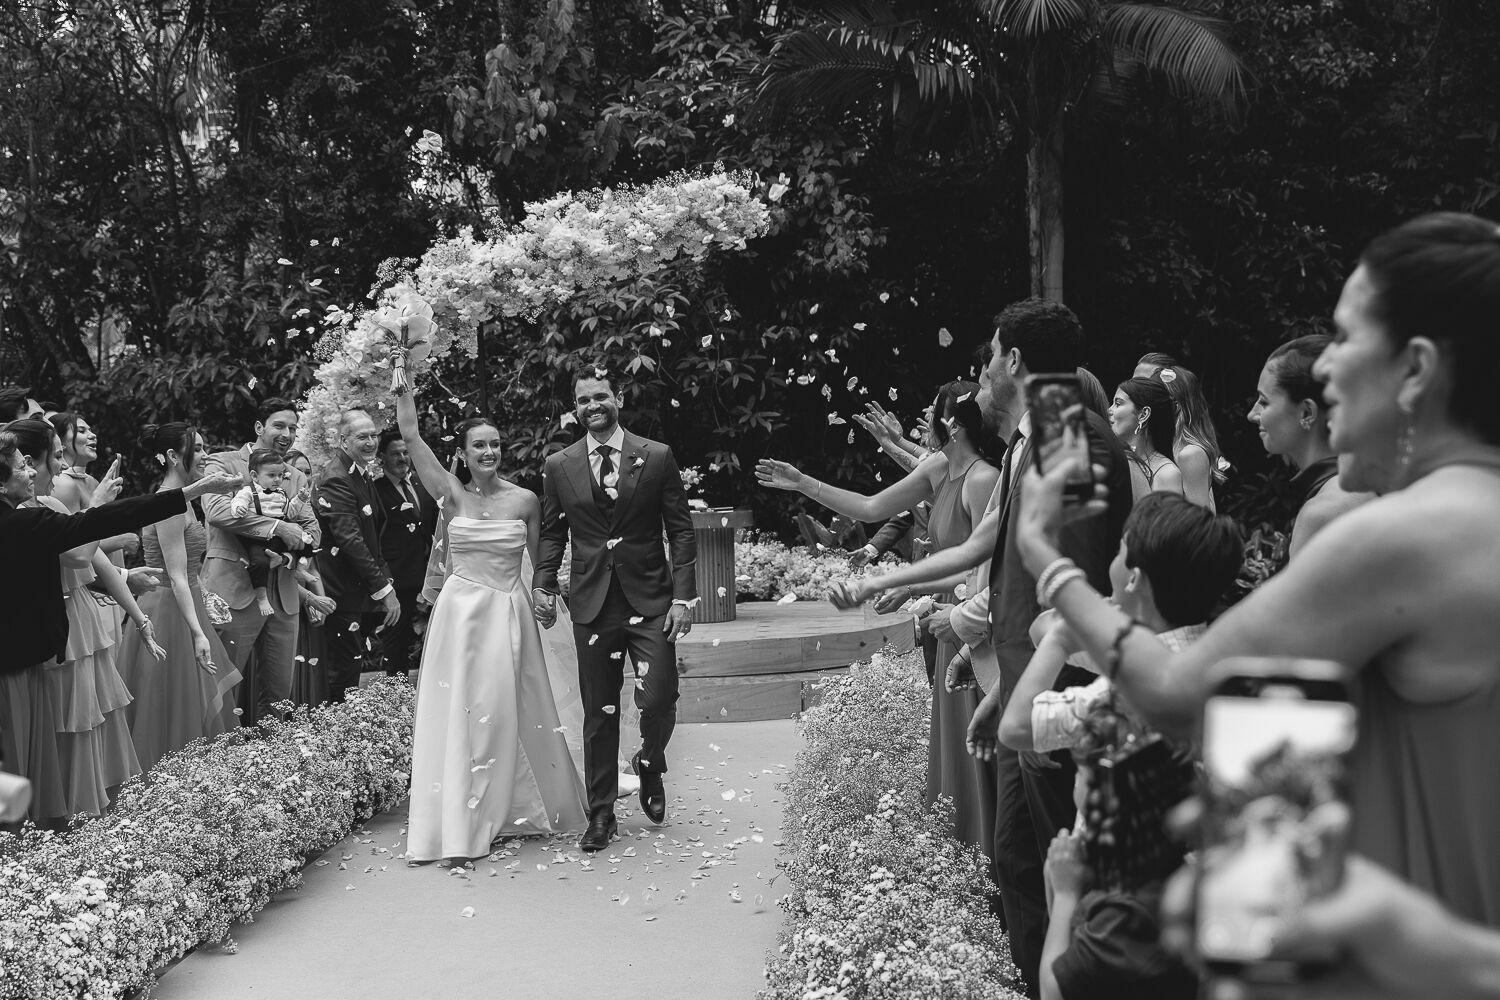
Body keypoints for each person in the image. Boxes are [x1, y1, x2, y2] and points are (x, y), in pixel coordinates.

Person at [1015, 212, 1500, 927]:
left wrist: (1044, 557)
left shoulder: (1392, 536)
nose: (1324, 369)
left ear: (1419, 370)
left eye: (1346, 338)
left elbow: (1178, 694)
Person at [833, 300, 1134, 995]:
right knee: (1017, 865)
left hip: (1061, 692)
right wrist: (884, 580)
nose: (984, 372)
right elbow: (982, 547)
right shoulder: (1032, 438)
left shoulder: (1072, 444)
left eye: (991, 356)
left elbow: (1074, 588)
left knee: (1064, 874)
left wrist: (1033, 691)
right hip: (1027, 685)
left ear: (1015, 361)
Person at [763, 381, 1003, 858]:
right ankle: (957, 857)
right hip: (942, 615)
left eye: (932, 412)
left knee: (976, 746)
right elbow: (872, 507)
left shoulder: (982, 479)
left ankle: (987, 859)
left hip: (970, 622)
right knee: (952, 744)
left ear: (951, 424)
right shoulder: (939, 467)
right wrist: (804, 483)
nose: (925, 421)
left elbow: (983, 567)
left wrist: (915, 588)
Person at [388, 357, 586, 862]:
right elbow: (410, 436)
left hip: (509, 613)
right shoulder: (450, 495)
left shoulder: (525, 500)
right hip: (460, 616)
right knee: (462, 711)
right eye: (479, 445)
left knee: (501, 710)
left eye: (495, 444)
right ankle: (461, 820)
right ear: (463, 453)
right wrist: (403, 383)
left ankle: (510, 807)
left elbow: (541, 562)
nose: (490, 451)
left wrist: (545, 597)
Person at [0, 426, 239, 821]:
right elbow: (91, 535)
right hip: (13, 664)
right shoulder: (16, 523)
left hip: (29, 657)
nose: (30, 471)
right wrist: (188, 493)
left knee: (28, 764)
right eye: (21, 466)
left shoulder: (25, 517)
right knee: (16, 764)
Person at [533, 368, 697, 853]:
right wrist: (543, 583)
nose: (593, 406)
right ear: (575, 408)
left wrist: (683, 598)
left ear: (618, 398)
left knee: (660, 697)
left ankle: (650, 763)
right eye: (584, 400)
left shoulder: (657, 456)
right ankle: (601, 812)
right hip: (592, 603)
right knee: (598, 711)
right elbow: (553, 531)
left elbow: (681, 530)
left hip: (652, 600)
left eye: (601, 396)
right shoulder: (559, 465)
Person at [996, 492, 1242, 758]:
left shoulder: (1128, 691)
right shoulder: (1214, 657)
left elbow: (1016, 727)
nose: (1113, 562)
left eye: (1119, 552)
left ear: (1133, 579)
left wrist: (1061, 639)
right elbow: (1039, 629)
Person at [6, 419, 159, 817]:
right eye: (55, 457)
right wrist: (98, 508)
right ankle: (58, 816)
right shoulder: (21, 516)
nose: (60, 467)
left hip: (84, 620)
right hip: (60, 626)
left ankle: (90, 815)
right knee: (64, 725)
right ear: (29, 462)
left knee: (94, 721)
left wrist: (139, 617)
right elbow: (77, 554)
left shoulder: (51, 505)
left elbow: (99, 561)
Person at [114, 423, 244, 772]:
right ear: (173, 456)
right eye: (197, 449)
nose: (204, 455)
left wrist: (205, 598)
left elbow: (188, 571)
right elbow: (175, 575)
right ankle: (171, 781)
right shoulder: (168, 505)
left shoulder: (181, 501)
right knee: (170, 703)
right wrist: (198, 632)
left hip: (186, 602)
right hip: (169, 610)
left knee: (186, 699)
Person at [200, 398, 321, 721]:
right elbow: (217, 512)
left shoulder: (295, 476)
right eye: (279, 425)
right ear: (258, 427)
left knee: (279, 696)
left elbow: (313, 531)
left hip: (283, 595)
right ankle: (212, 751)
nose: (287, 434)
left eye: (293, 428)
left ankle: (271, 752)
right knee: (220, 687)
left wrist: (287, 557)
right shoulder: (223, 463)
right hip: (233, 590)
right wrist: (278, 527)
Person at [1249, 335, 1373, 560]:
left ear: (1307, 412)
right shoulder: (1366, 485)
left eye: (1264, 402)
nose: (1252, 415)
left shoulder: (1323, 513)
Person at [313, 408, 400, 702]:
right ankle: (336, 726)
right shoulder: (337, 477)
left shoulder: (360, 473)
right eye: (362, 437)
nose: (371, 442)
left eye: (374, 435)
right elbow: (350, 540)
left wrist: (385, 579)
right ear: (343, 440)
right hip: (340, 591)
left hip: (355, 591)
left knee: (350, 668)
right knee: (342, 673)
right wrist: (383, 588)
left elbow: (372, 535)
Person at [373, 429, 437, 677]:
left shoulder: (424, 483)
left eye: (405, 452)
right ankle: (395, 687)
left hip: (429, 570)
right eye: (395, 454)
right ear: (382, 458)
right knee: (396, 634)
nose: (402, 458)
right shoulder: (376, 490)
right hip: (397, 575)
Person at [229, 449, 313, 618]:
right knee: (259, 563)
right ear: (254, 475)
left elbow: (290, 512)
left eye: (280, 475)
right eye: (272, 475)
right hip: (257, 537)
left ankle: (300, 569)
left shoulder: (281, 493)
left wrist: (300, 500)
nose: (277, 479)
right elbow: (237, 502)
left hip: (278, 536)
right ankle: (261, 597)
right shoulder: (248, 491)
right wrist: (239, 508)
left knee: (305, 542)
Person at [1151, 366, 1224, 510]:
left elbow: (1200, 517)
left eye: (1152, 399)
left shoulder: (1190, 454)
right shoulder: (1163, 446)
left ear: (1175, 405)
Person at [1109, 378, 1183, 500]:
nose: (1109, 410)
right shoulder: (1115, 459)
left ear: (1143, 414)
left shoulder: (1167, 474)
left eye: (1118, 404)